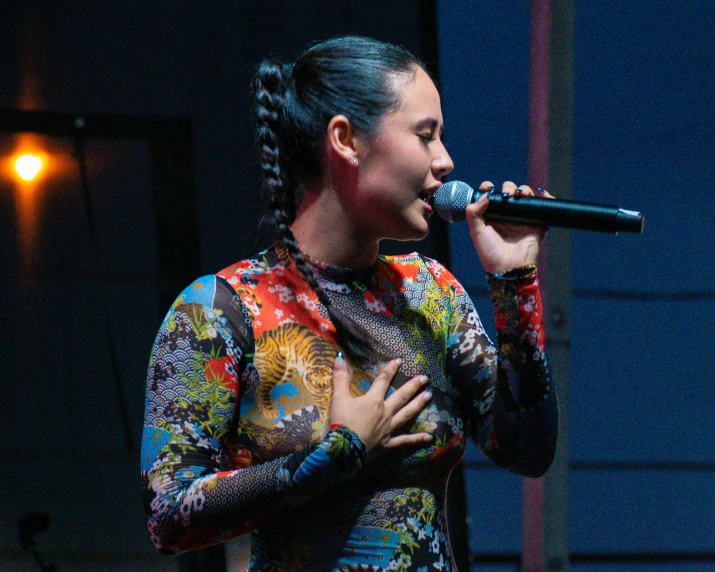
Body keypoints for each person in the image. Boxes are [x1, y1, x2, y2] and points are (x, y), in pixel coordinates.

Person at [141, 35, 558, 571]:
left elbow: (528, 449)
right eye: (425, 136)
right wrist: (336, 455)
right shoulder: (224, 309)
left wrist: (515, 282)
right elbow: (168, 516)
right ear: (346, 139)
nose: (446, 162)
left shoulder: (431, 293)